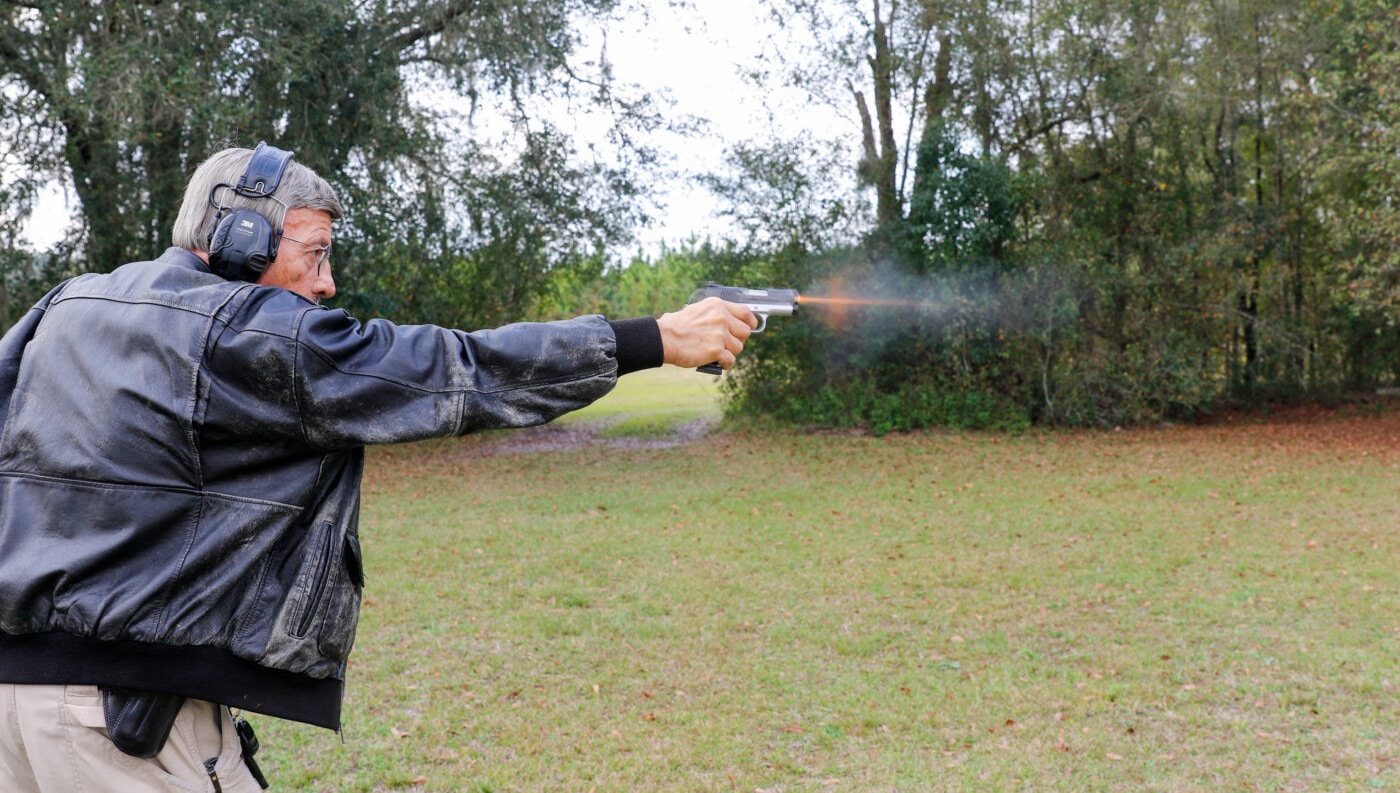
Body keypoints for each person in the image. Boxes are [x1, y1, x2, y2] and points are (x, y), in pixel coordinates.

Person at [0, 143, 756, 792]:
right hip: (118, 715)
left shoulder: (62, 305)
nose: (326, 283)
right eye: (313, 252)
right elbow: (448, 371)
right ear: (237, 240)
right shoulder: (246, 331)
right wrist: (651, 338)